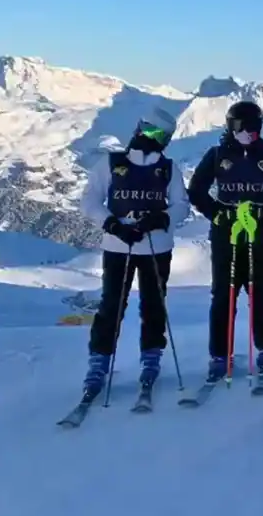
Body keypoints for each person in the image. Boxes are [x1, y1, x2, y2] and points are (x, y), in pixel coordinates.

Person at [77, 108, 192, 401]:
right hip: (119, 246)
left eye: (158, 135)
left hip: (156, 246)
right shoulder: (110, 163)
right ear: (139, 127)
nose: (149, 138)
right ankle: (99, 362)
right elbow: (89, 200)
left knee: (154, 304)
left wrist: (161, 218)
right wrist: (113, 224)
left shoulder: (168, 168)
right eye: (148, 130)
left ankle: (150, 358)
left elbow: (182, 205)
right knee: (112, 305)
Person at [186, 100, 263, 384]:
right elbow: (196, 190)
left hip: (259, 233)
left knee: (260, 290)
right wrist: (216, 213)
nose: (248, 133)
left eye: (254, 128)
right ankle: (219, 354)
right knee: (224, 293)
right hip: (226, 233)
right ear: (230, 126)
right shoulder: (217, 155)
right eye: (242, 127)